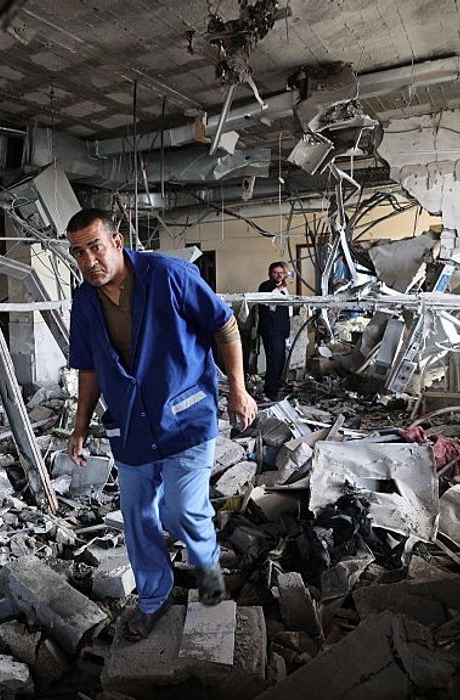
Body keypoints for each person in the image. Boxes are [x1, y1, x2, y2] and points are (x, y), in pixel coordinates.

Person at [64, 209, 257, 640]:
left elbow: (225, 326)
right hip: (131, 427)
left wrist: (238, 389)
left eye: (95, 247)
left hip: (185, 419)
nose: (89, 260)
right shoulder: (84, 302)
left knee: (183, 511)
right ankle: (154, 598)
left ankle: (211, 590)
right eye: (79, 253)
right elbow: (89, 370)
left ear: (117, 241)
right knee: (136, 515)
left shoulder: (170, 275)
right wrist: (79, 427)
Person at [256, 261, 291, 400]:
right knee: (273, 360)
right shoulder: (265, 286)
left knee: (280, 360)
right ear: (270, 274)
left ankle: (276, 387)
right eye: (275, 272)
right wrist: (283, 285)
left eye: (281, 273)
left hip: (281, 330)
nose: (278, 275)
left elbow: (287, 310)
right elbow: (269, 299)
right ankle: (270, 392)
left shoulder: (284, 289)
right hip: (270, 330)